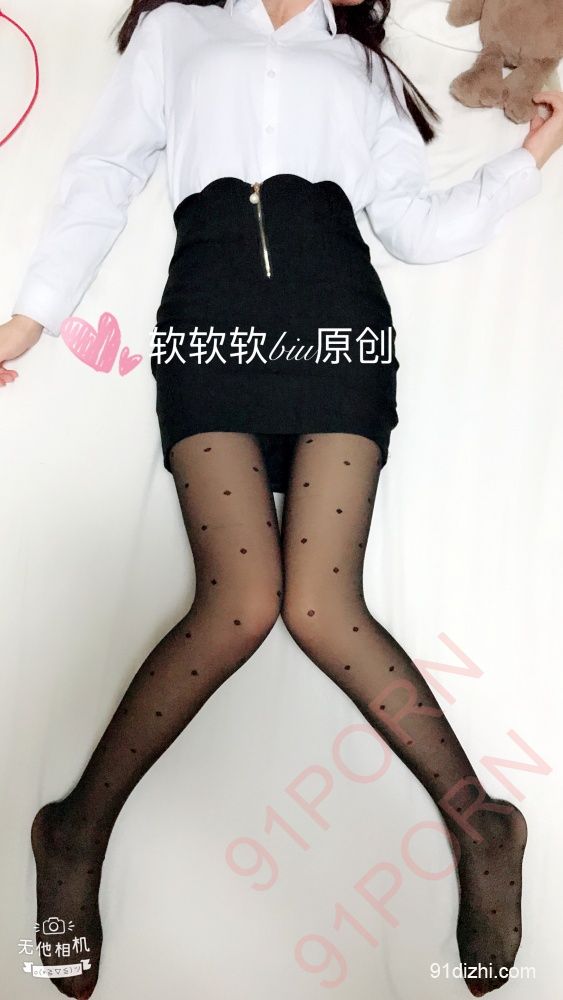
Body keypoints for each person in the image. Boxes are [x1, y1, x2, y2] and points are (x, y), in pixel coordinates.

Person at [2, 0, 562, 996]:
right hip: (210, 321)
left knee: (318, 607)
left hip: (337, 325)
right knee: (240, 603)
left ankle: (482, 826)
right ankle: (75, 830)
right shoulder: (179, 31)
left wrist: (527, 159)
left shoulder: (359, 63)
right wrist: (31, 318)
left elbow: (410, 223)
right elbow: (102, 173)